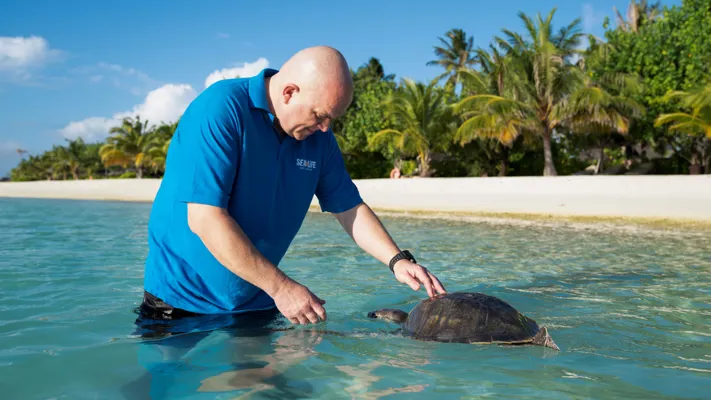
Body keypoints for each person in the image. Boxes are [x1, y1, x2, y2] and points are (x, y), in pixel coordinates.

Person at [137, 46, 446, 333]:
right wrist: (282, 289)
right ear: (289, 92)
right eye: (321, 115)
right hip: (180, 301)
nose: (326, 128)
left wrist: (398, 261)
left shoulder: (320, 139)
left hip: (255, 300)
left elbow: (348, 207)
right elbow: (205, 218)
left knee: (269, 390)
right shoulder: (220, 109)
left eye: (332, 119)